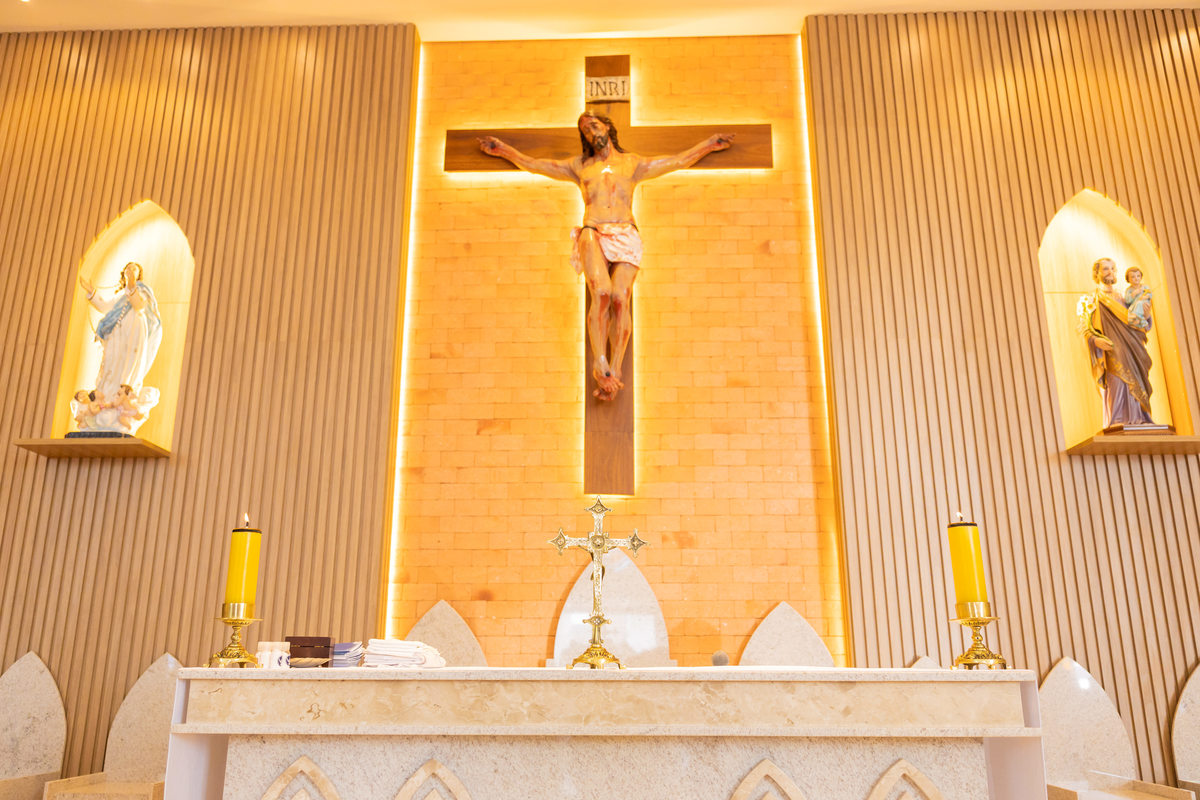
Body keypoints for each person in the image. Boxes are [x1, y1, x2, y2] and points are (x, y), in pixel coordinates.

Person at [479, 113, 733, 400]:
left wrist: (709, 145)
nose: (590, 131)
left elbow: (676, 161)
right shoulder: (580, 166)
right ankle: (599, 363)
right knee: (601, 292)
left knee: (619, 297)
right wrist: (504, 150)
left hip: (626, 231)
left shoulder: (632, 164)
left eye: (594, 125)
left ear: (609, 128)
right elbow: (538, 166)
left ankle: (615, 369)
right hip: (593, 231)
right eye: (585, 130)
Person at [1078, 257, 1154, 428]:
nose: (1110, 272)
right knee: (1117, 382)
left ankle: (1139, 418)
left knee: (1136, 381)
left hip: (1132, 347)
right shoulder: (1091, 299)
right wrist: (1095, 340)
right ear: (1097, 273)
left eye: (1113, 269)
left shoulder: (1124, 297)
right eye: (1105, 269)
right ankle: (1117, 419)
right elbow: (1083, 327)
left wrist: (1147, 317)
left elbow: (1136, 321)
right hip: (1111, 349)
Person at [78, 261, 163, 403]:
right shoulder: (120, 296)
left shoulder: (142, 291)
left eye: (134, 269)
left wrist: (131, 283)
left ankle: (123, 395)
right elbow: (105, 306)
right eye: (128, 269)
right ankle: (106, 396)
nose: (130, 270)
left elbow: (139, 305)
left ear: (138, 274)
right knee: (111, 361)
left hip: (134, 332)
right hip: (117, 334)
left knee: (128, 362)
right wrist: (91, 291)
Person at [1124, 266, 1152, 332]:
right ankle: (1140, 321)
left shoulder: (1144, 287)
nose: (1136, 278)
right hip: (1135, 305)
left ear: (1141, 277)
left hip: (1144, 303)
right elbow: (1127, 300)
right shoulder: (1129, 290)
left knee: (1139, 304)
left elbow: (1149, 294)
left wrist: (1145, 297)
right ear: (1128, 279)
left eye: (1138, 276)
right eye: (1133, 277)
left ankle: (1139, 319)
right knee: (1131, 309)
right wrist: (1133, 294)